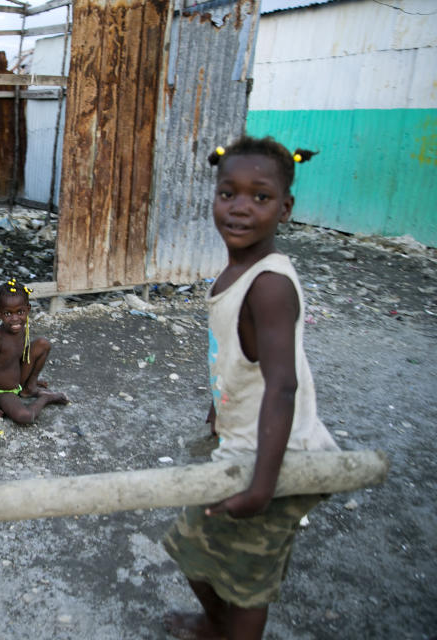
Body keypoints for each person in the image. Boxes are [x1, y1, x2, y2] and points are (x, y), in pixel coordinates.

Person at [161, 137, 340, 640]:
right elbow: (246, 360)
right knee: (192, 549)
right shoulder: (237, 272)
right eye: (228, 193)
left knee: (246, 585)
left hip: (280, 461)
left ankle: (226, 628)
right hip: (243, 447)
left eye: (260, 197)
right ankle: (216, 625)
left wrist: (263, 485)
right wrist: (219, 405)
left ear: (285, 209)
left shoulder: (270, 284)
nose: (240, 207)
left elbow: (283, 385)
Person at [0, 279, 67, 424]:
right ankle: (46, 398)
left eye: (20, 312)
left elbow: (17, 357)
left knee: (43, 344)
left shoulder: (21, 328)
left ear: (28, 309)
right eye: (8, 313)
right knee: (25, 417)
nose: (15, 319)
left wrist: (32, 377)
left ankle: (29, 388)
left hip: (17, 381)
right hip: (2, 391)